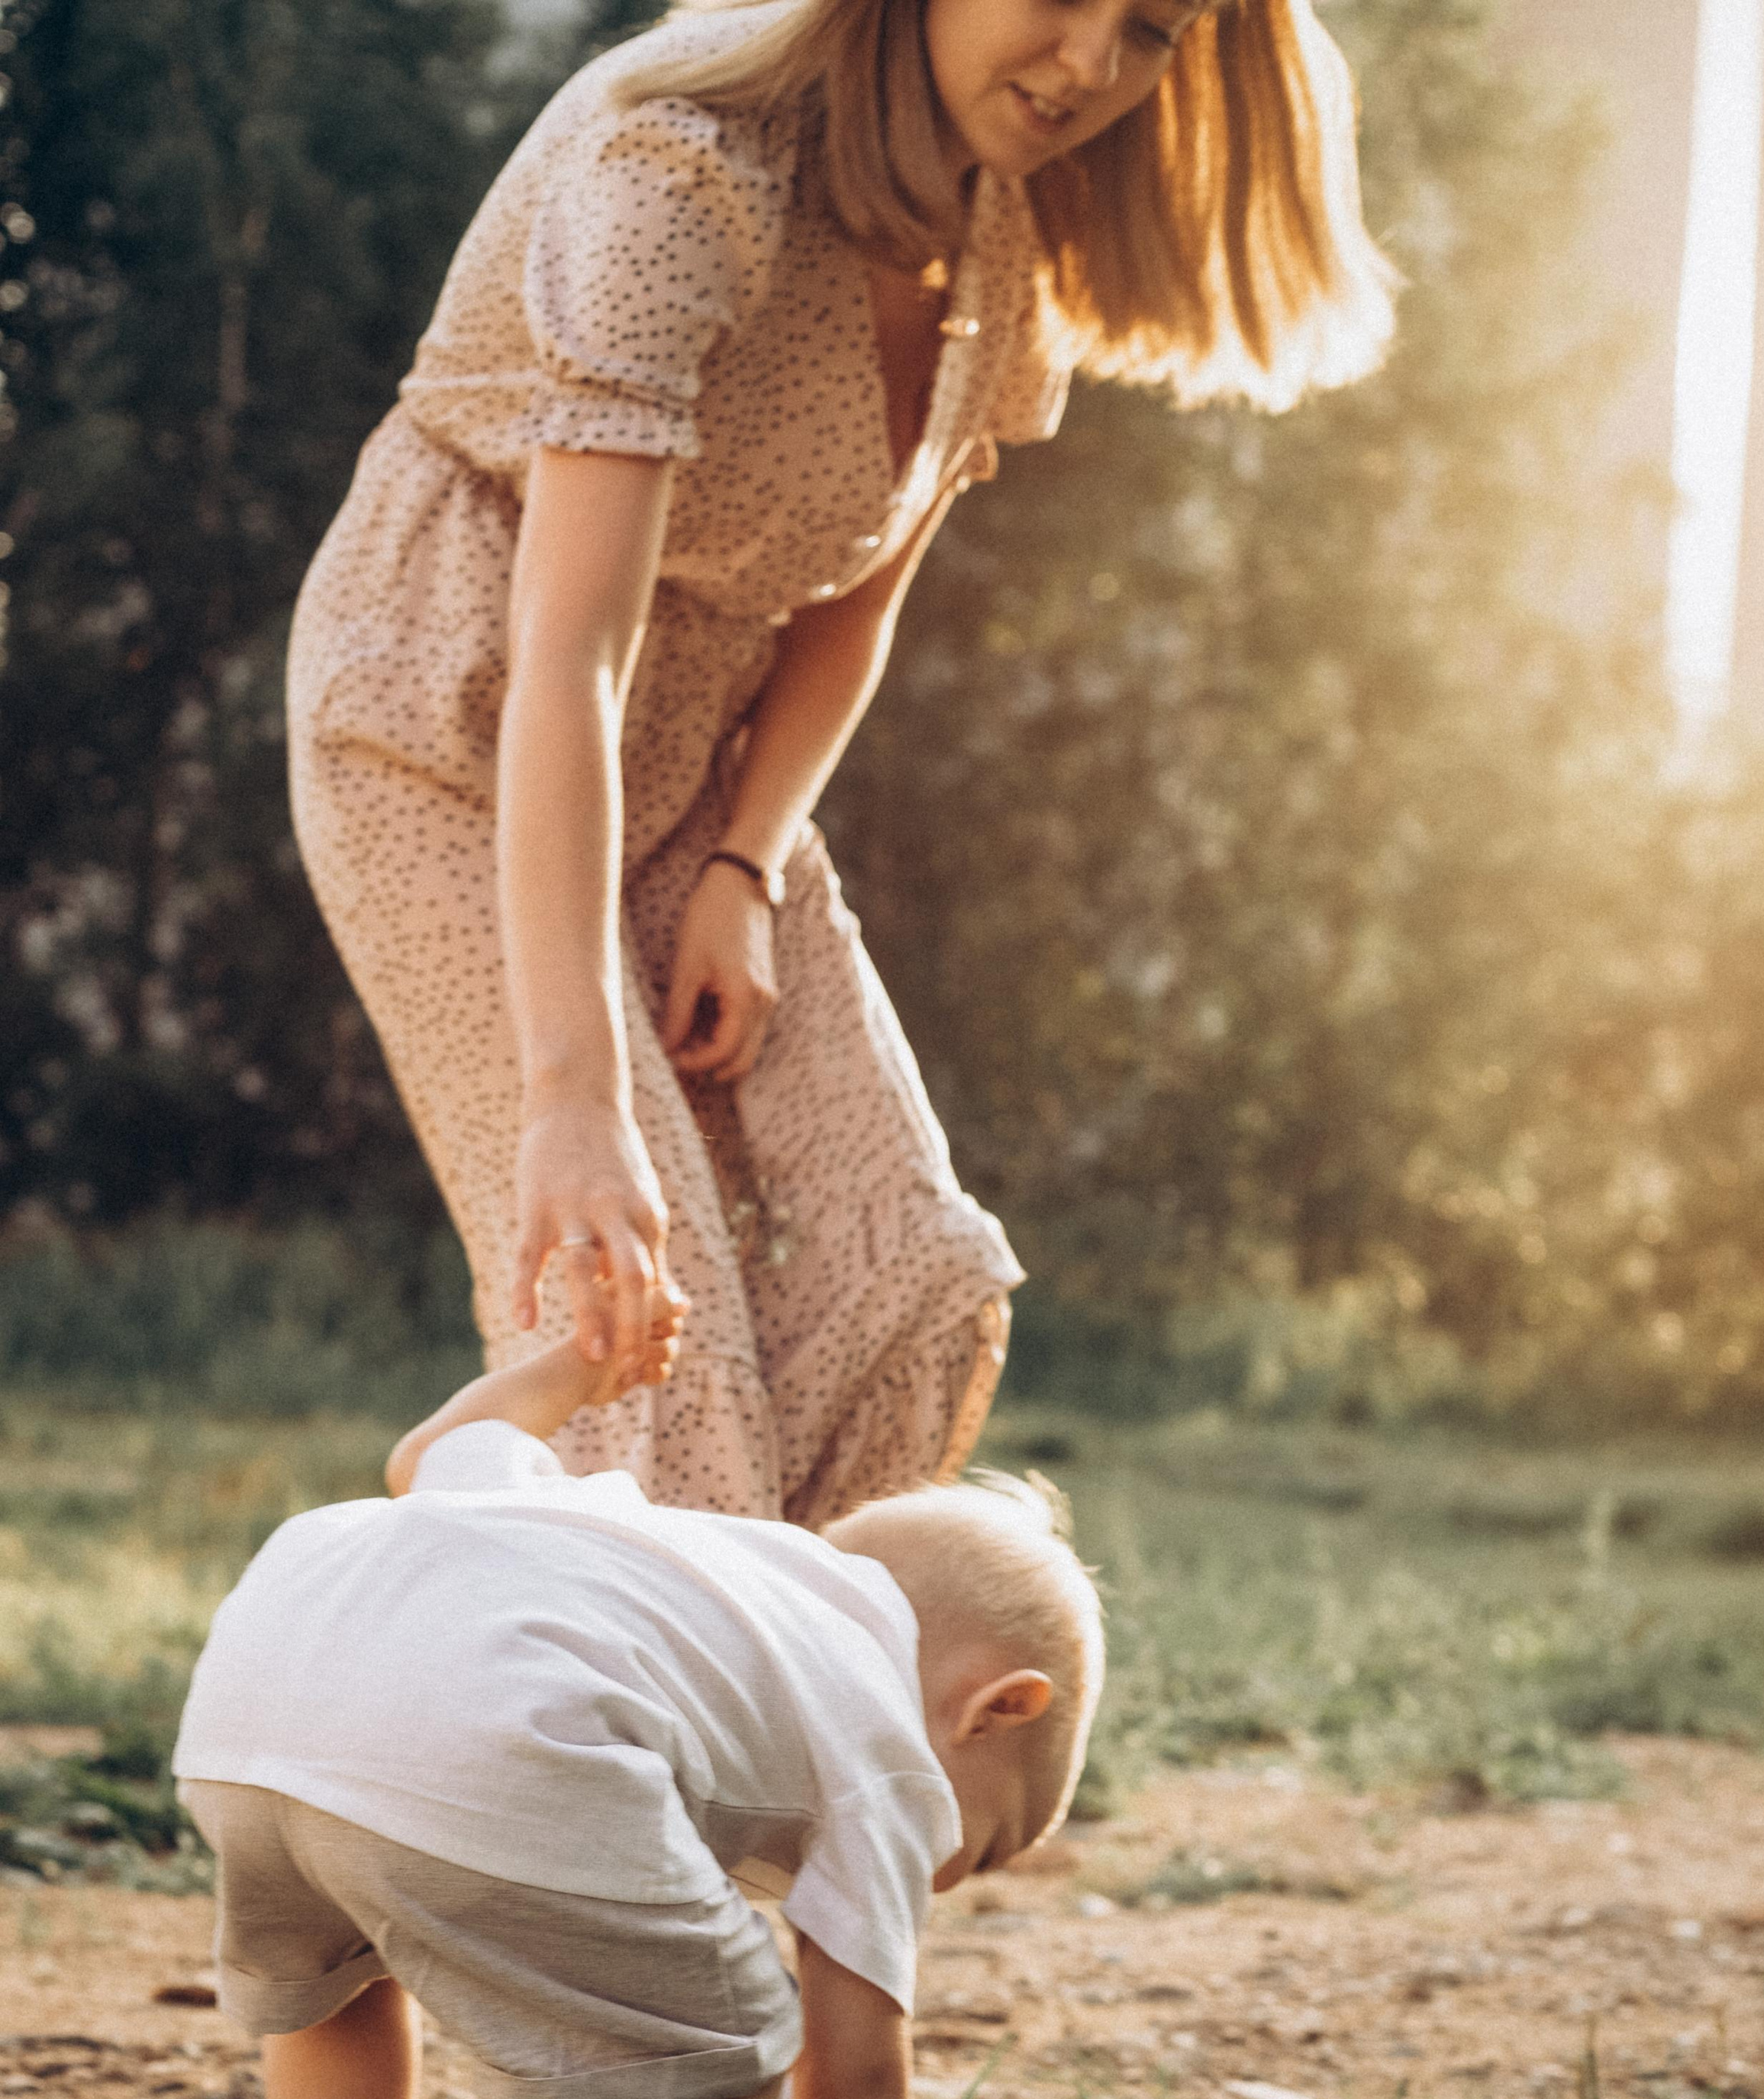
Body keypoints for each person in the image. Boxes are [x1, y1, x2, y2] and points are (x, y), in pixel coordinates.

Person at [288, 0, 1395, 1523]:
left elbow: (851, 601)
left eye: (1148, 27)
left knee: (913, 1276)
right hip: (452, 723)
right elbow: (570, 658)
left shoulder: (1001, 242)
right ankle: (556, 1658)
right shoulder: (680, 178)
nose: (1090, 65)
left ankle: (772, 1648)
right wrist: (571, 1098)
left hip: (702, 748)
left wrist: (744, 863)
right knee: (633, 1301)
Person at [170, 1330, 1105, 2099]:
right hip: (493, 1728)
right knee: (718, 2071)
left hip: (264, 1684)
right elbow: (853, 2075)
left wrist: (578, 1367)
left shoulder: (652, 1551)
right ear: (999, 1706)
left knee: (337, 1972)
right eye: (979, 1846)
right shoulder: (889, 1732)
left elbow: (434, 1451)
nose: (944, 1874)